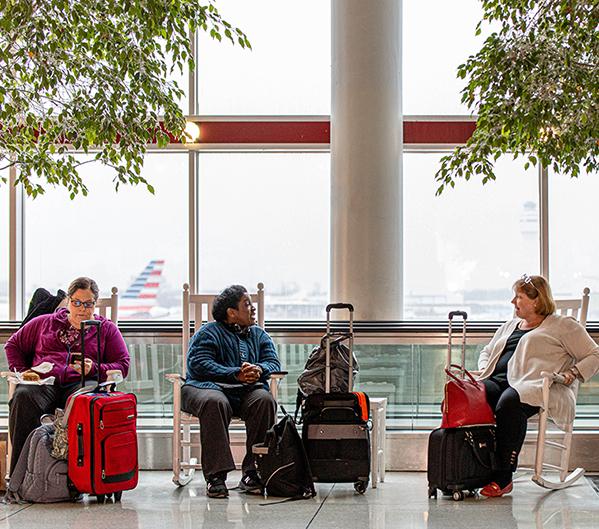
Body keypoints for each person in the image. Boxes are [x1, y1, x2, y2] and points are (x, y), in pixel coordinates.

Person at [476, 274, 599, 497]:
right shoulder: (509, 326)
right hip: (498, 380)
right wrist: (486, 370)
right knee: (471, 398)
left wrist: (573, 372)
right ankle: (472, 469)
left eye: (518, 297)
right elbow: (487, 351)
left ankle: (503, 476)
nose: (513, 302)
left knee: (509, 403)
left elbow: (594, 353)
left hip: (535, 385)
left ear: (536, 300)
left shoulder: (563, 326)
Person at [5, 276, 130, 474]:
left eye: (88, 304)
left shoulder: (106, 329)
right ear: (69, 301)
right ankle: (22, 475)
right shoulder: (45, 323)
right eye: (77, 302)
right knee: (23, 397)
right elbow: (13, 345)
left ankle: (79, 475)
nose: (82, 309)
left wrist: (94, 368)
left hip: (80, 383)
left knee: (85, 401)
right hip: (44, 382)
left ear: (95, 303)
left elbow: (123, 365)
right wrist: (23, 371)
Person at [181, 284, 281, 498]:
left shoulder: (259, 335)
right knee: (215, 402)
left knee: (265, 400)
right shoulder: (208, 333)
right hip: (204, 387)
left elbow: (273, 362)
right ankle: (216, 477)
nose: (253, 309)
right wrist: (235, 374)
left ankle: (254, 471)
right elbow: (198, 364)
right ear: (231, 312)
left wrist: (259, 369)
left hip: (246, 392)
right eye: (247, 305)